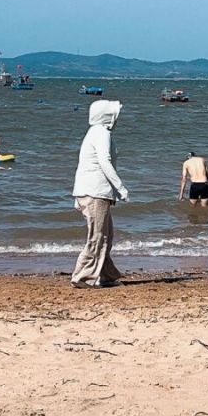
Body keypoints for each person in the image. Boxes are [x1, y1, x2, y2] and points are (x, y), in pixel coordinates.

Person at [72, 100, 128, 288]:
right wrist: (121, 188)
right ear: (107, 116)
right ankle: (82, 277)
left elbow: (84, 164)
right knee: (98, 237)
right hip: (95, 192)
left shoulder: (94, 133)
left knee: (106, 236)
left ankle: (108, 276)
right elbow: (105, 161)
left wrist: (78, 194)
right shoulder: (101, 133)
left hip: (92, 191)